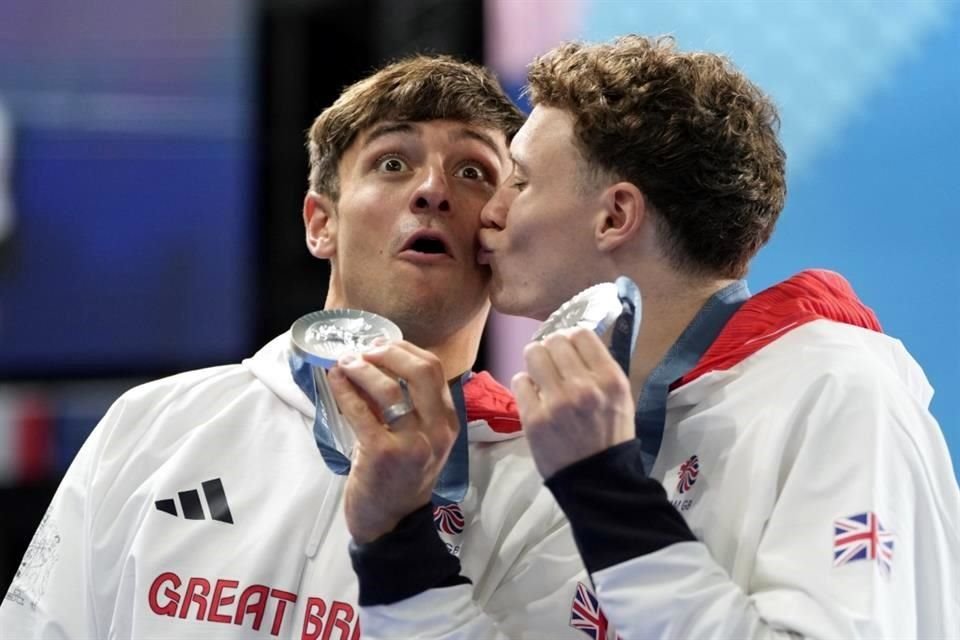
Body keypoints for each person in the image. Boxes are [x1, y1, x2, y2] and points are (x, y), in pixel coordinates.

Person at [0, 56, 593, 640]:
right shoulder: (153, 425)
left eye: (472, 172)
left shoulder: (550, 488)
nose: (433, 190)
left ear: (501, 230)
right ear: (320, 223)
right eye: (392, 163)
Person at [475, 36, 960, 639]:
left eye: (519, 182)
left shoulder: (837, 390)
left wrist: (605, 494)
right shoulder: (603, 432)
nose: (488, 211)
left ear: (615, 217)